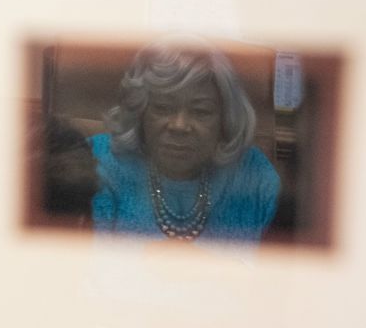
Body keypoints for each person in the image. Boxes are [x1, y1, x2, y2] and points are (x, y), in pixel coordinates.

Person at [90, 42, 280, 243]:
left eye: (201, 111)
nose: (179, 126)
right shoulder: (98, 161)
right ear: (140, 111)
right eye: (163, 107)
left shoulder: (254, 176)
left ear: (225, 120)